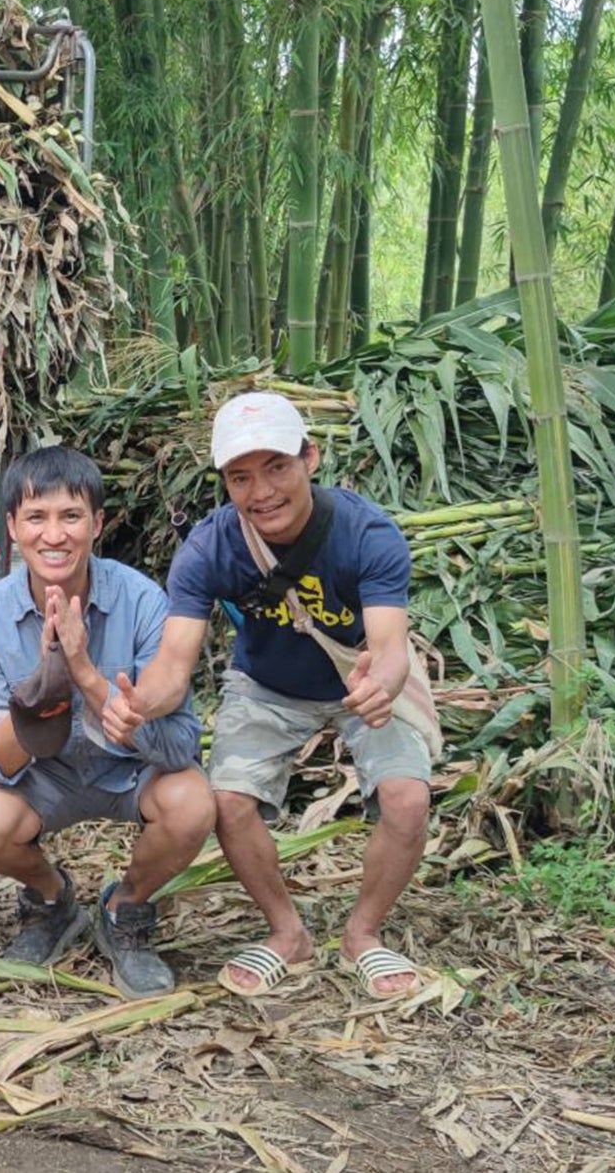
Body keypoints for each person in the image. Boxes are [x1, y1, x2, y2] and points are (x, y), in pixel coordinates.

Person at [104, 392, 433, 1000]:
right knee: (229, 801)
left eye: (277, 466)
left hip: (359, 681)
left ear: (310, 458)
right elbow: (174, 664)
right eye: (240, 476)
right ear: (225, 483)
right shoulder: (208, 548)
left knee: (407, 799)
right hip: (267, 685)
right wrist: (137, 703)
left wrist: (381, 686)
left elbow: (390, 644)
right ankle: (288, 934)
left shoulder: (368, 533)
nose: (262, 491)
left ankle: (363, 934)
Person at [0, 447, 216, 997]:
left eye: (71, 516)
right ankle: (54, 902)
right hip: (45, 778)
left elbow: (180, 745)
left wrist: (86, 675)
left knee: (192, 801)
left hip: (130, 773)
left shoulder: (144, 601)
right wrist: (43, 688)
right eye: (36, 517)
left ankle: (126, 909)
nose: (54, 535)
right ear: (12, 528)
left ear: (97, 524)